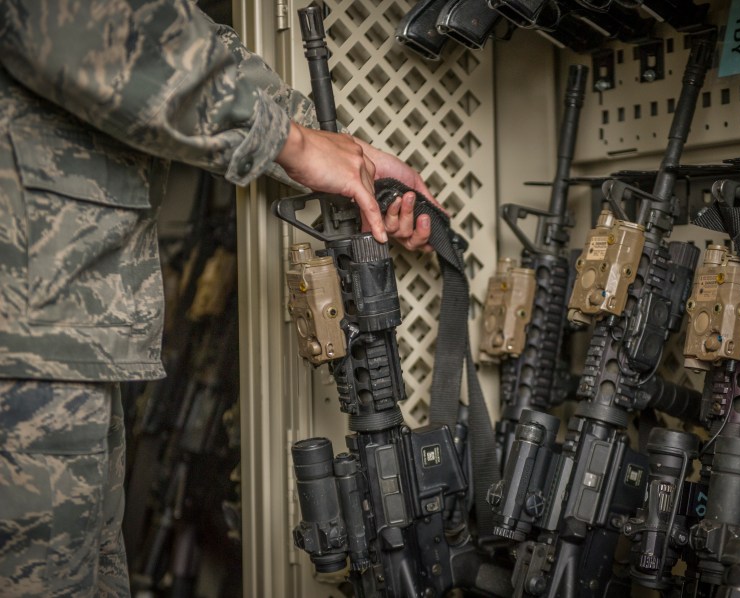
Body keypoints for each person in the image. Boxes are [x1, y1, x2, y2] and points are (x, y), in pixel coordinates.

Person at [0, 1, 440, 595]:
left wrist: (337, 154)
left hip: (59, 321)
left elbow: (172, 29)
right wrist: (296, 144)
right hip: (29, 322)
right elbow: (83, 20)